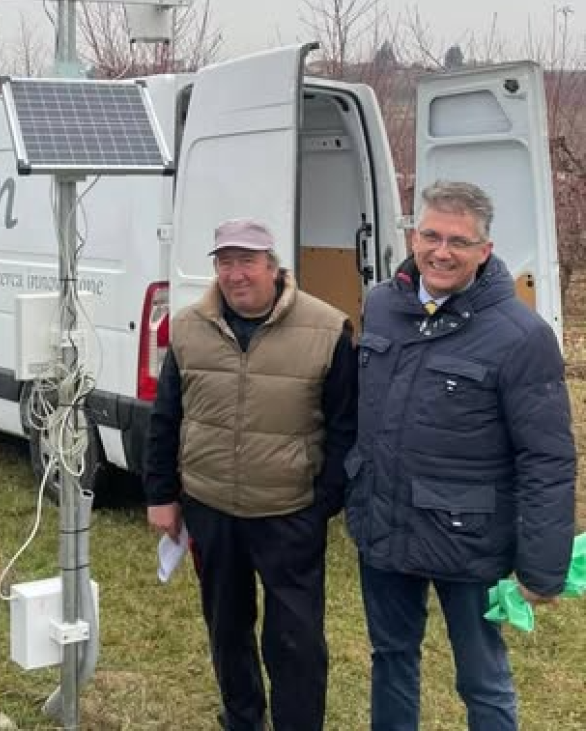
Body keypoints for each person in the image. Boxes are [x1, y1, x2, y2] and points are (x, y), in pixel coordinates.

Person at [345, 180, 577, 731]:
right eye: (430, 235)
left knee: (481, 677)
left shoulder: (521, 336)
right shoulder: (381, 306)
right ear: (414, 234)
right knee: (391, 658)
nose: (441, 252)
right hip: (386, 526)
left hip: (467, 538)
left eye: (458, 241)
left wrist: (542, 568)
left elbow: (547, 457)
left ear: (484, 252)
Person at [144, 218, 357, 731]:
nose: (236, 274)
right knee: (227, 627)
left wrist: (320, 503)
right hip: (211, 507)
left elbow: (347, 428)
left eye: (247, 262)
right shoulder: (191, 325)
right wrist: (161, 495)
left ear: (273, 267)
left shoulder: (328, 328)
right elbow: (167, 415)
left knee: (296, 639)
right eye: (225, 262)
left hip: (287, 514)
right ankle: (242, 718)